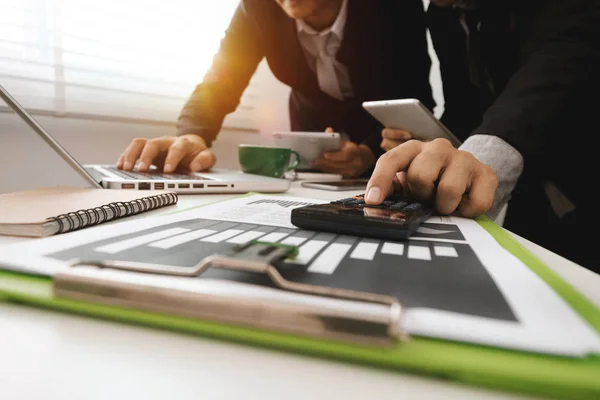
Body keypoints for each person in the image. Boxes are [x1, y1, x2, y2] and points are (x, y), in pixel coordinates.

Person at [366, 0, 600, 271]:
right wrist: (429, 147)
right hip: (521, 200)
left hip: (580, 180)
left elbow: (551, 76)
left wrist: (470, 169)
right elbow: (462, 108)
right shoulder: (443, 14)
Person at [116, 0, 434, 179]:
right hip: (308, 150)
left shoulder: (396, 7)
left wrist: (368, 154)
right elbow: (220, 81)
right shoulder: (257, 8)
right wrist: (192, 134)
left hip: (380, 150)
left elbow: (416, 100)